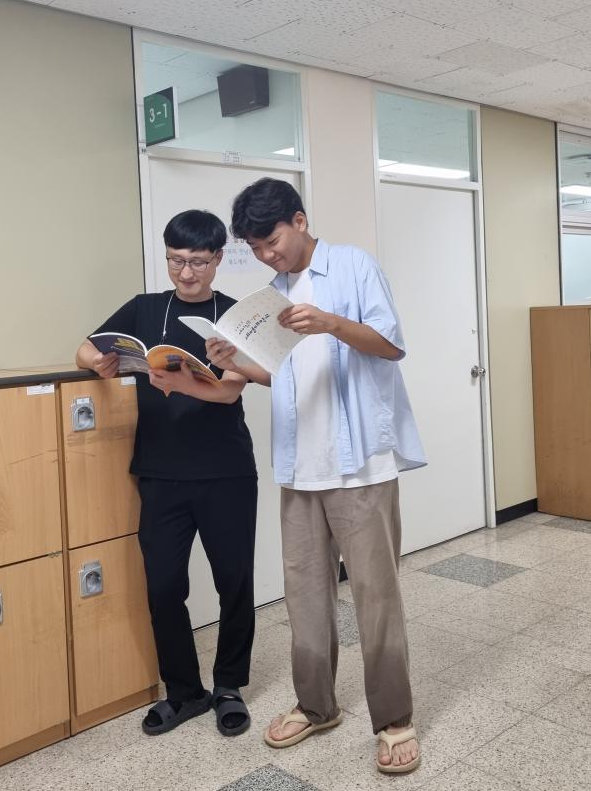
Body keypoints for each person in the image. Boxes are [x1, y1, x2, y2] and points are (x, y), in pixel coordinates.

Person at [206, 178, 425, 774]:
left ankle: (394, 719)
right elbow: (287, 376)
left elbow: (391, 346)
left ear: (299, 221)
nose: (267, 255)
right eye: (255, 248)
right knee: (304, 597)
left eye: (272, 242)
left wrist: (330, 322)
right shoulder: (271, 297)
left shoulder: (352, 266)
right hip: (300, 467)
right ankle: (316, 705)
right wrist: (236, 363)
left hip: (360, 466)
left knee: (375, 597)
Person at [76, 210, 257, 738]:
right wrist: (97, 364)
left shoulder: (235, 315)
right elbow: (85, 347)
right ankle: (184, 691)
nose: (186, 273)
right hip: (159, 472)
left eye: (197, 262)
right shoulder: (145, 307)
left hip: (225, 472)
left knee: (234, 583)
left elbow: (230, 390)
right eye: (176, 261)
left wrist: (182, 384)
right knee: (162, 587)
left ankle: (229, 686)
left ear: (218, 259)